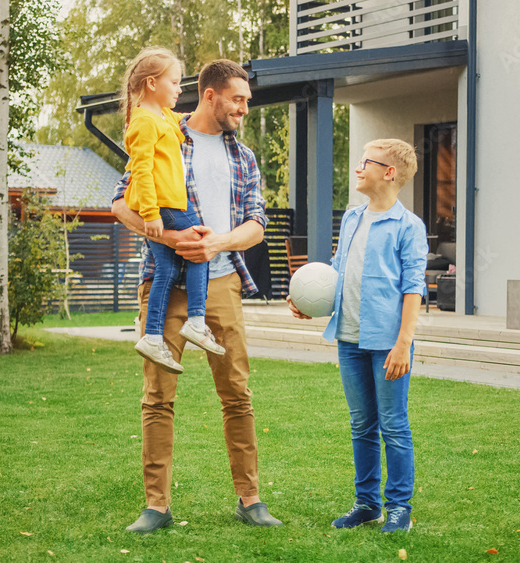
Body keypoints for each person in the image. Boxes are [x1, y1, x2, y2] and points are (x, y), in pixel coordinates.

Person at [111, 59, 282, 533]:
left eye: (246, 101)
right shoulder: (162, 129)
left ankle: (250, 499)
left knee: (237, 394)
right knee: (157, 397)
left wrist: (215, 243)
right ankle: (156, 507)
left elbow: (256, 225)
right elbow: (121, 200)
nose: (244, 109)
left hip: (222, 283)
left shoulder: (244, 158)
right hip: (164, 282)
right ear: (210, 95)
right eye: (238, 99)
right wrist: (169, 238)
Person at [288, 139, 428, 533]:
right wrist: (311, 302)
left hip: (388, 344)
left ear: (390, 172)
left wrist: (404, 343)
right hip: (349, 339)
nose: (357, 168)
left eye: (366, 162)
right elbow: (338, 273)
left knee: (394, 425)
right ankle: (366, 504)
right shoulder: (351, 218)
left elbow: (413, 288)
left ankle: (399, 507)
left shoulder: (408, 227)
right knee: (362, 424)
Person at [120, 47, 224, 373]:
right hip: (166, 205)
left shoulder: (162, 116)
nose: (180, 89)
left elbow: (182, 121)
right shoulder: (143, 123)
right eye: (175, 82)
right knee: (200, 247)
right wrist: (150, 214)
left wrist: (203, 111)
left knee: (164, 269)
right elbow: (141, 169)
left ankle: (152, 337)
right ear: (152, 83)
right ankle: (196, 319)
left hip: (165, 204)